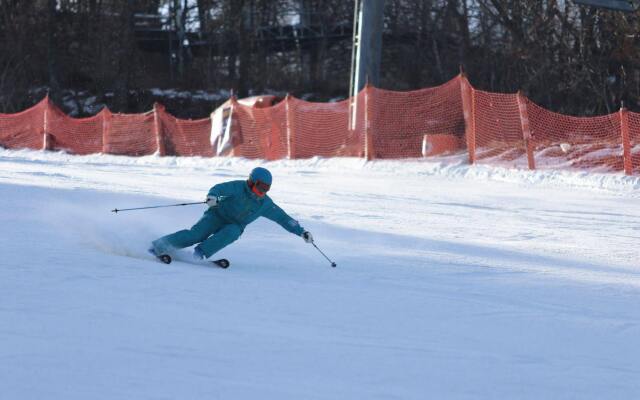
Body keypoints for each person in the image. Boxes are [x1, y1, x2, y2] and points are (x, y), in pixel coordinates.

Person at [150, 167, 313, 260]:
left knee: (233, 232)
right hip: (216, 216)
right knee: (195, 235)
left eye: (266, 189)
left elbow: (284, 219)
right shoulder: (238, 187)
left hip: (234, 225)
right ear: (251, 182)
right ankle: (157, 247)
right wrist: (213, 197)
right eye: (260, 187)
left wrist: (301, 232)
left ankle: (200, 254)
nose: (262, 192)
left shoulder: (265, 204)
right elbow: (218, 189)